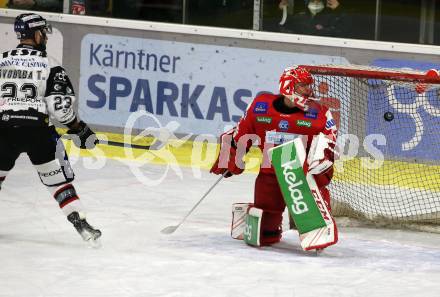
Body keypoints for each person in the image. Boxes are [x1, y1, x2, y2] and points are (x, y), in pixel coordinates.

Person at [0, 13, 101, 243]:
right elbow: (60, 109)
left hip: (3, 131)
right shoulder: (51, 64)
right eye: (43, 33)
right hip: (38, 133)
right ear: (36, 34)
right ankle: (81, 224)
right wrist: (80, 130)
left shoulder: (2, 59)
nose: (45, 37)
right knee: (57, 182)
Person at [210, 66, 337, 247]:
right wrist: (229, 157)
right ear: (288, 86)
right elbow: (239, 134)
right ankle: (264, 223)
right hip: (269, 174)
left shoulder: (320, 114)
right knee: (263, 235)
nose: (308, 90)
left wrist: (319, 167)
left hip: (302, 177)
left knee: (316, 232)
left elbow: (329, 143)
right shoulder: (260, 107)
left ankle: (316, 221)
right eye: (303, 86)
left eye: (309, 85)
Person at [280, 0, 348, 38]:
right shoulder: (298, 17)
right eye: (313, 1)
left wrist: (339, 9)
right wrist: (281, 11)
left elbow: (344, 31)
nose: (315, 4)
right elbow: (281, 28)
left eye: (319, 1)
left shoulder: (331, 17)